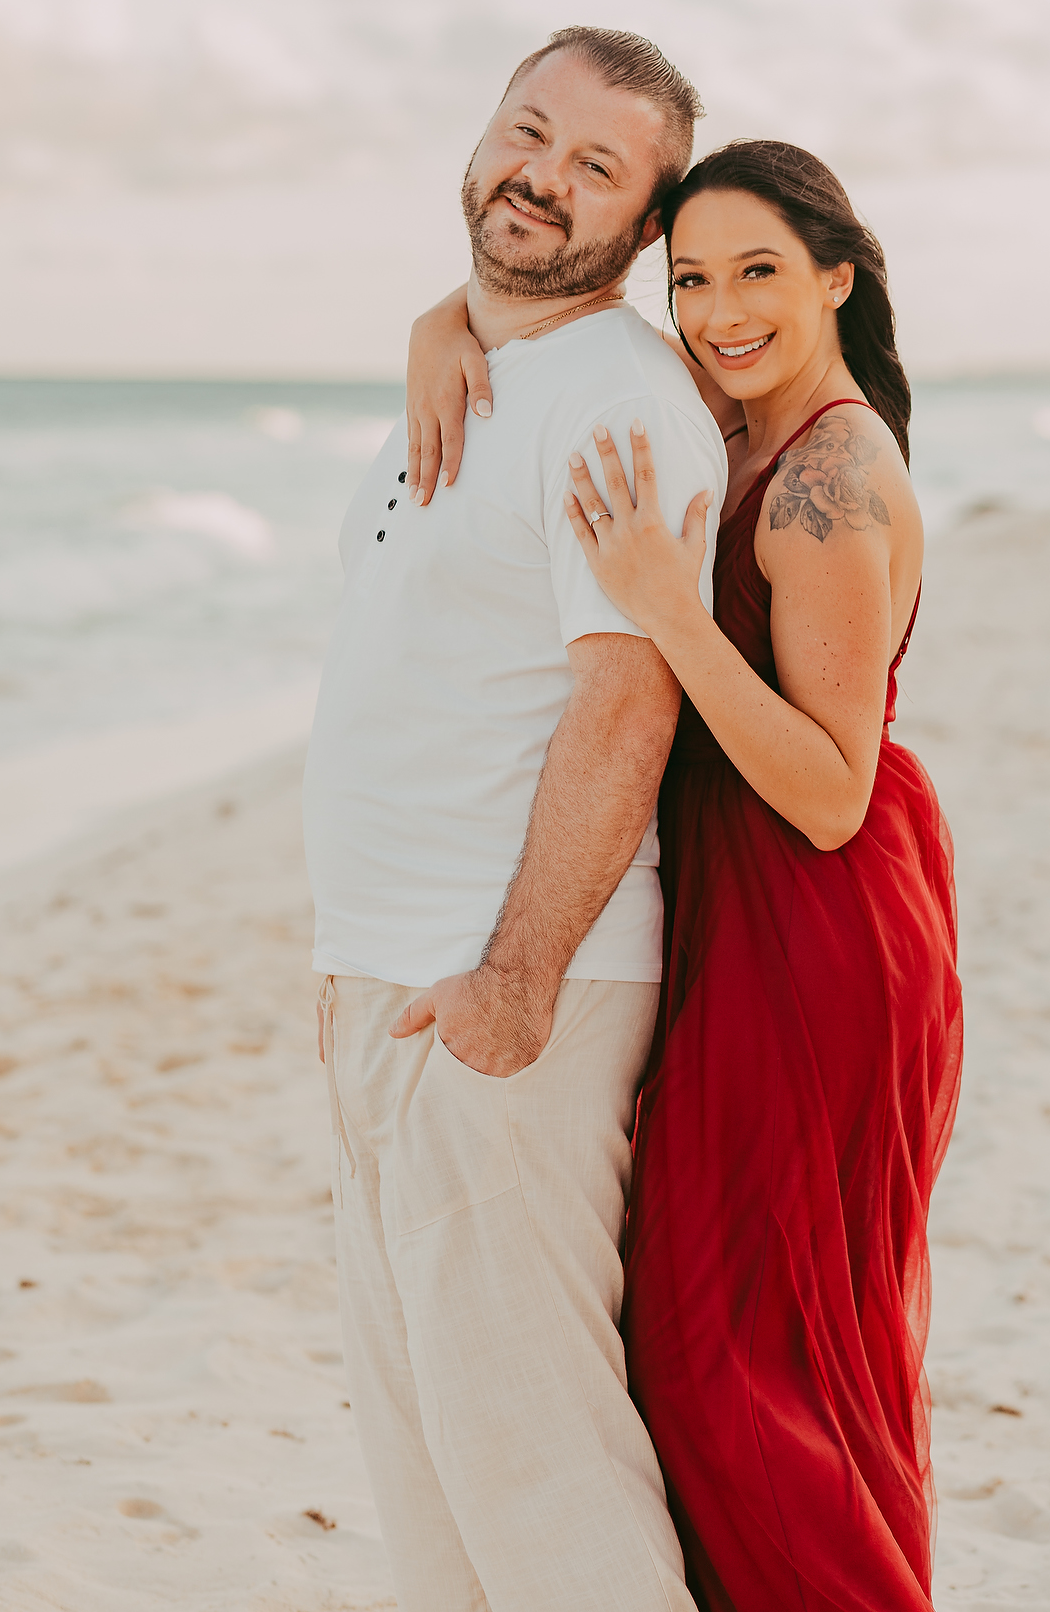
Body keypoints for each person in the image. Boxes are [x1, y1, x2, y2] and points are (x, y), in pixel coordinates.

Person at [409, 140, 963, 1610]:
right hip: (745, 899)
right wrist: (438, 326)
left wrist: (668, 608)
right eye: (695, 276)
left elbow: (836, 795)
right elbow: (549, 307)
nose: (719, 309)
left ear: (839, 277)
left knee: (744, 1367)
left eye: (759, 273)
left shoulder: (828, 475)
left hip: (818, 918)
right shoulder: (736, 419)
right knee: (740, 1341)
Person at [302, 27, 727, 1612]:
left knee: (542, 1481)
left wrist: (519, 981)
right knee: (433, 1488)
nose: (543, 175)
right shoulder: (484, 361)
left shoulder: (616, 400)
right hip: (388, 987)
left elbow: (629, 702)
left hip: (505, 1004)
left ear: (646, 218)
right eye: (528, 129)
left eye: (598, 165)